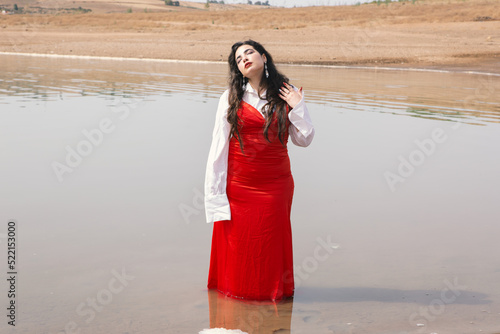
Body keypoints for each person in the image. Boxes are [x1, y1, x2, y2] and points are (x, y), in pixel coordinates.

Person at [204, 40, 315, 302]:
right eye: (239, 58)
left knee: (271, 243)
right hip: (239, 185)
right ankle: (238, 301)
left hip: (276, 184)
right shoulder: (231, 97)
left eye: (249, 52)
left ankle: (271, 295)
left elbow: (304, 139)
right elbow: (218, 146)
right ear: (238, 69)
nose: (244, 58)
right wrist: (215, 194)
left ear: (264, 57)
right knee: (238, 245)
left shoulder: (287, 94)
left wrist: (298, 106)